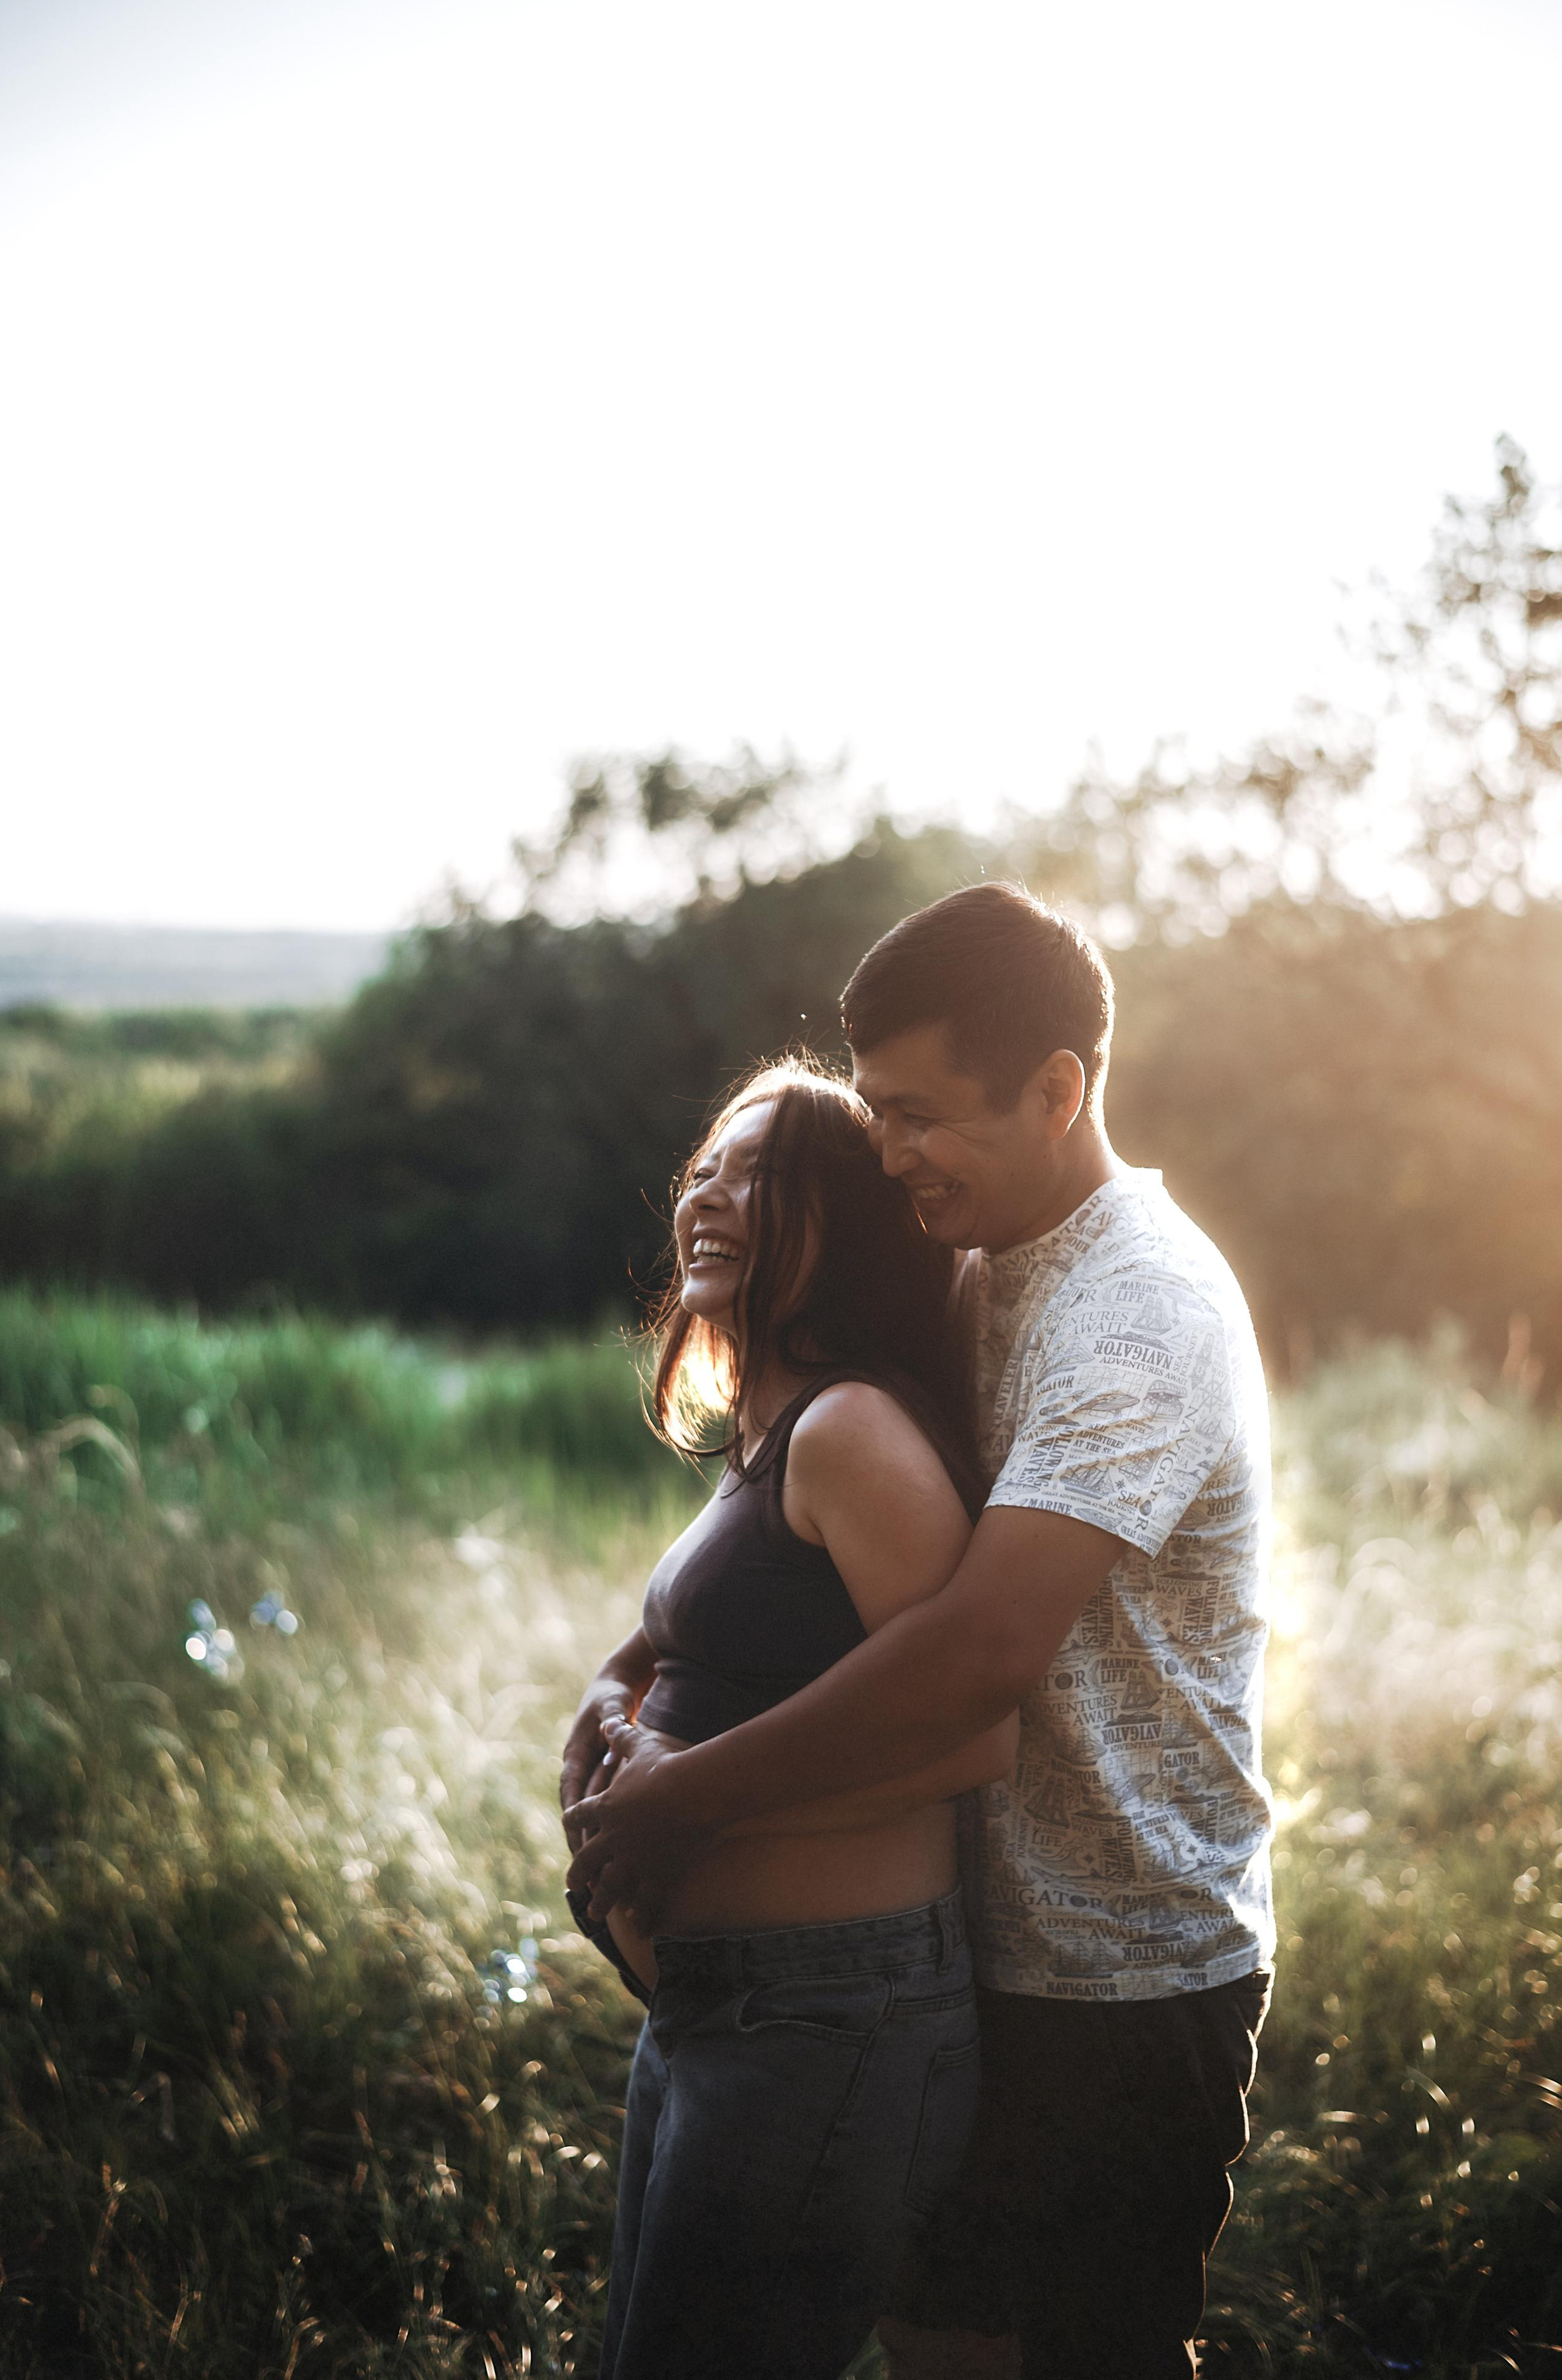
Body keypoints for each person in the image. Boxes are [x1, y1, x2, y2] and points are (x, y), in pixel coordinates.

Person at [568, 883, 1277, 2380]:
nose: (887, 1152)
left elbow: (971, 1662)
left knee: (1086, 2360)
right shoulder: (974, 1258)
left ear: (1057, 1088)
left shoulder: (1136, 1311)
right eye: (873, 1112)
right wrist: (635, 1676)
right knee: (939, 2351)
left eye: (917, 1115)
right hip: (959, 1948)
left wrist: (668, 1807)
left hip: (1115, 1969)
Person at [560, 1060, 1017, 2380]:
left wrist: (688, 1798)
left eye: (759, 1172)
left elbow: (971, 1736)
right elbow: (681, 1631)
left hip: (826, 2019)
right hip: (721, 2009)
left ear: (841, 1219)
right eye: (706, 1165)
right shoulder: (765, 1434)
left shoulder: (851, 1429)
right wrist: (604, 1698)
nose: (711, 1192)